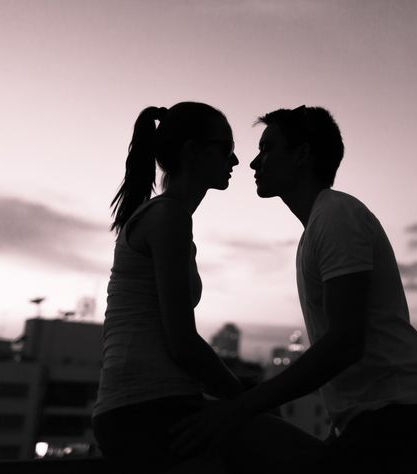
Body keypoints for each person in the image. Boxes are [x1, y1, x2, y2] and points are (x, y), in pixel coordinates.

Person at [171, 105, 417, 474]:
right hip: (377, 420)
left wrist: (243, 406)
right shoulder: (319, 226)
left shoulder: (336, 217)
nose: (254, 163)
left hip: (399, 417)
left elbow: (345, 342)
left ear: (301, 155)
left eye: (267, 149)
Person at [92, 102, 252, 473]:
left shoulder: (167, 216)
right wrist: (244, 395)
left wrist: (234, 385)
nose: (236, 160)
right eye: (225, 148)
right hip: (147, 409)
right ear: (192, 151)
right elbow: (181, 342)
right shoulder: (168, 216)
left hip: (151, 404)